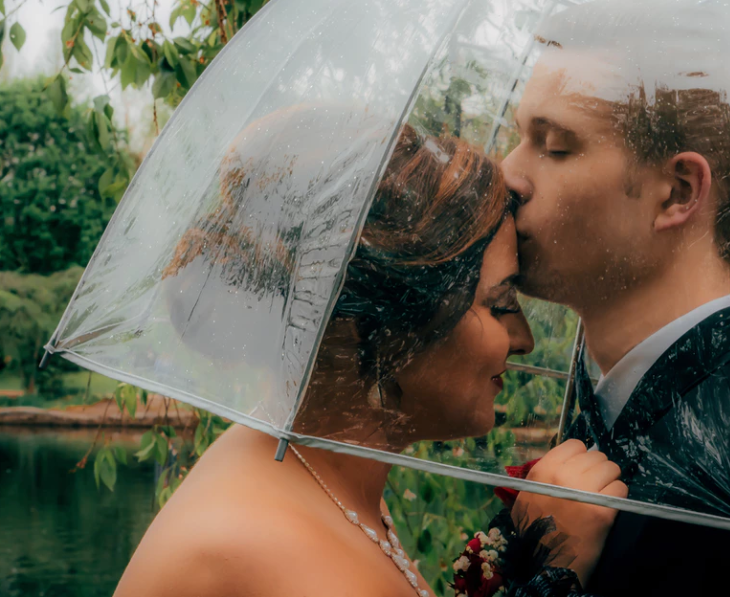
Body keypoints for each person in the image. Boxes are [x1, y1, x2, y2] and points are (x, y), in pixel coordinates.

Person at [113, 124, 626, 597]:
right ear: (384, 329)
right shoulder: (276, 555)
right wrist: (556, 568)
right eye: (498, 304)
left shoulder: (310, 468)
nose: (524, 339)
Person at [500, 0, 730, 596]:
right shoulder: (613, 405)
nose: (509, 174)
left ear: (676, 193)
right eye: (521, 137)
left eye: (554, 146)